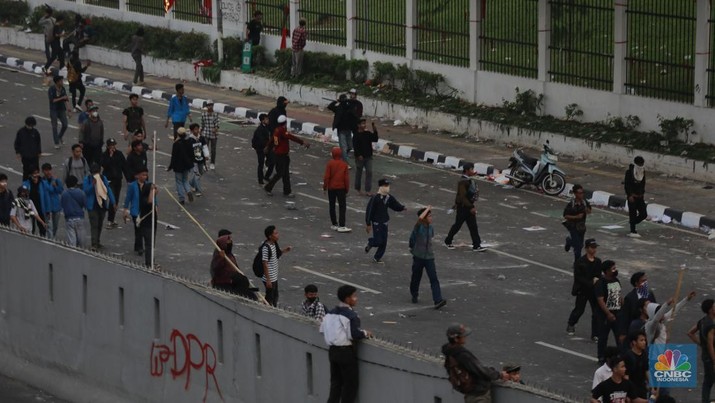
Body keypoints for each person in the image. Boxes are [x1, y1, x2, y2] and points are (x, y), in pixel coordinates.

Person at [320, 285, 373, 403]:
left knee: (336, 384)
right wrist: (365, 333)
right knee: (350, 386)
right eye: (354, 296)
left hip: (332, 351)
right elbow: (354, 334)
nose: (356, 298)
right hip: (346, 353)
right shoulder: (351, 316)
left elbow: (322, 330)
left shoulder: (329, 314)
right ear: (347, 299)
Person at [441, 323, 508, 402]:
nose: (465, 337)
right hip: (478, 395)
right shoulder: (462, 354)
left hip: (469, 394)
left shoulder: (450, 353)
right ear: (456, 339)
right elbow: (480, 370)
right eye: (463, 335)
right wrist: (499, 375)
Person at [409, 206, 447, 309]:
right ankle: (414, 293)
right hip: (418, 256)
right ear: (425, 217)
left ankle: (437, 300)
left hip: (429, 257)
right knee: (416, 277)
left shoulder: (431, 228)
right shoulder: (418, 226)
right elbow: (420, 219)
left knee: (434, 278)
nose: (431, 218)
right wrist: (427, 208)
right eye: (429, 216)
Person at [263, 115, 309, 197]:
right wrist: (302, 142)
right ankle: (268, 187)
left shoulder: (277, 130)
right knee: (280, 173)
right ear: (285, 123)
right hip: (282, 156)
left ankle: (287, 191)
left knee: (285, 173)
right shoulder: (282, 131)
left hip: (279, 154)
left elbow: (274, 140)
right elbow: (291, 137)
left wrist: (269, 146)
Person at [444, 163, 485, 252]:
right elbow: (462, 197)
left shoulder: (469, 180)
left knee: (473, 226)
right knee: (457, 225)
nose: (472, 171)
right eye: (471, 169)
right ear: (466, 170)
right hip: (463, 208)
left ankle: (476, 245)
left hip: (468, 207)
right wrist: (471, 207)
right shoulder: (463, 181)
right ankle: (448, 240)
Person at [566, 238, 602, 339]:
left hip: (594, 291)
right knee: (579, 309)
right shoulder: (580, 262)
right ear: (586, 248)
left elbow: (598, 274)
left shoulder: (598, 261)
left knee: (596, 312)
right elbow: (578, 277)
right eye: (592, 247)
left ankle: (595, 334)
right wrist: (591, 282)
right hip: (583, 290)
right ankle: (571, 323)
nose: (594, 250)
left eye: (595, 248)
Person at [364, 179, 406, 263]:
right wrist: (368, 223)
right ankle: (371, 242)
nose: (387, 188)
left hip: (384, 222)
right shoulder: (375, 198)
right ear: (381, 187)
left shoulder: (388, 197)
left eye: (388, 186)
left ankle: (377, 257)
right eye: (385, 186)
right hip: (377, 222)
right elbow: (370, 211)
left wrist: (402, 208)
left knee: (384, 242)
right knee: (379, 240)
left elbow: (394, 204)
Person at [123, 168, 157, 267]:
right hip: (136, 211)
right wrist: (125, 209)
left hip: (145, 212)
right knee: (138, 230)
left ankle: (140, 246)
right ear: (137, 176)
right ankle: (139, 246)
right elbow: (128, 197)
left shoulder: (148, 185)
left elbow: (153, 197)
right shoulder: (132, 185)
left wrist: (156, 205)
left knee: (143, 231)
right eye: (142, 175)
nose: (144, 177)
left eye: (146, 175)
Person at [210, 233, 257, 300]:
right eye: (228, 242)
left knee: (246, 285)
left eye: (231, 242)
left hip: (233, 281)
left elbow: (236, 268)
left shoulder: (230, 255)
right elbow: (215, 269)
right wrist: (221, 258)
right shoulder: (218, 256)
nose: (230, 244)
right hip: (223, 284)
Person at [595, 260, 623, 364]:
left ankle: (621, 355)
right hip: (604, 316)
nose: (615, 270)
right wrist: (608, 313)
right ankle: (601, 357)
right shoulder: (601, 283)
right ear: (607, 271)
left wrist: (622, 308)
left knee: (619, 336)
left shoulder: (616, 280)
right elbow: (600, 300)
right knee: (603, 337)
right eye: (613, 268)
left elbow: (619, 296)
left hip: (617, 313)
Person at [687, 299, 715, 403]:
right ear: (711, 310)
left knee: (707, 382)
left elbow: (690, 333)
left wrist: (701, 344)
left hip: (705, 356)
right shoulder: (711, 326)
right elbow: (710, 345)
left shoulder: (702, 321)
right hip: (711, 357)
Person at [83, 163, 116, 251]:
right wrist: (92, 185)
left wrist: (113, 202)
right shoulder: (87, 180)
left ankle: (97, 241)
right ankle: (94, 244)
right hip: (92, 206)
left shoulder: (103, 178)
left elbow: (107, 189)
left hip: (102, 206)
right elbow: (85, 191)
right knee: (94, 225)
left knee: (99, 224)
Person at [260, 225, 292, 307]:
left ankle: (270, 307)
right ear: (270, 236)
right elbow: (265, 263)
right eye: (276, 233)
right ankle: (268, 310)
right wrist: (268, 280)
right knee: (270, 298)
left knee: (274, 296)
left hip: (274, 276)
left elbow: (276, 254)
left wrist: (285, 250)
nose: (278, 235)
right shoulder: (266, 247)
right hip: (270, 277)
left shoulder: (274, 244)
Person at [323, 147, 351, 232]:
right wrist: (347, 189)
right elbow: (346, 179)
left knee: (332, 205)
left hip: (331, 188)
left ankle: (334, 223)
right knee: (342, 206)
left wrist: (325, 187)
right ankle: (342, 225)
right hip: (341, 188)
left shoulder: (330, 163)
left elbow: (327, 177)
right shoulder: (344, 164)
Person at [100, 138, 126, 229]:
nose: (112, 147)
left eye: (114, 145)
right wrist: (110, 157)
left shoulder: (119, 154)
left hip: (118, 179)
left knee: (116, 199)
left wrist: (128, 178)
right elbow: (104, 165)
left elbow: (124, 166)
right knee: (112, 199)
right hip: (109, 180)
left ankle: (112, 218)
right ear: (107, 146)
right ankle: (109, 220)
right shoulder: (104, 155)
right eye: (111, 145)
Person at [563, 184, 591, 262]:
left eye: (582, 193)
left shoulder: (585, 202)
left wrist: (586, 209)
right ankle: (577, 263)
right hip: (573, 226)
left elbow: (590, 211)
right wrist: (576, 217)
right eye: (579, 193)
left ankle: (569, 241)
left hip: (581, 227)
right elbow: (565, 215)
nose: (581, 194)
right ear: (575, 194)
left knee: (580, 245)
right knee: (578, 246)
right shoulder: (571, 204)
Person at [167, 127, 195, 205]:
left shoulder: (176, 143)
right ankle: (188, 191)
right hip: (186, 165)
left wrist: (170, 166)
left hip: (178, 166)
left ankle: (181, 198)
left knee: (179, 181)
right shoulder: (189, 142)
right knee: (185, 180)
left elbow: (174, 156)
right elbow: (192, 154)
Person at [352, 119, 378, 196]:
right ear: (358, 125)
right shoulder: (356, 135)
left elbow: (375, 139)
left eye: (365, 124)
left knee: (369, 172)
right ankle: (358, 188)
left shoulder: (367, 133)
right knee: (359, 173)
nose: (364, 125)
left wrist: (374, 129)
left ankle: (368, 190)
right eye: (362, 124)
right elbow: (355, 147)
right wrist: (358, 155)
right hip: (360, 157)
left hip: (368, 156)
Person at [625, 156, 647, 238]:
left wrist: (642, 193)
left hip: (640, 196)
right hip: (632, 196)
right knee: (632, 213)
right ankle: (632, 230)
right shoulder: (629, 172)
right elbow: (627, 185)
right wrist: (629, 195)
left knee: (643, 214)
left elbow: (643, 183)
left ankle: (632, 222)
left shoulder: (643, 172)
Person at [60, 175, 86, 247]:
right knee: (81, 240)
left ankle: (73, 253)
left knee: (72, 240)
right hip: (79, 218)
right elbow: (84, 204)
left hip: (69, 219)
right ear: (75, 183)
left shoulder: (64, 194)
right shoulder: (81, 192)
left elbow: (62, 205)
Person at [40, 163, 64, 239]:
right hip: (47, 206)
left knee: (55, 224)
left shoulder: (56, 180)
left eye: (49, 170)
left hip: (56, 206)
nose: (48, 172)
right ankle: (51, 238)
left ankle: (53, 236)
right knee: (49, 225)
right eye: (46, 170)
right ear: (43, 171)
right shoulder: (42, 181)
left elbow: (60, 190)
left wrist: (55, 186)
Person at [623, 330, 649, 400]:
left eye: (644, 340)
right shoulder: (628, 356)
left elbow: (646, 370)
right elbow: (626, 376)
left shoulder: (644, 354)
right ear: (634, 342)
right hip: (632, 389)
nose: (644, 342)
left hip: (642, 388)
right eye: (641, 340)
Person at [327, 94, 352, 165]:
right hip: (341, 131)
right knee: (343, 147)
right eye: (343, 99)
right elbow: (329, 107)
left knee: (350, 146)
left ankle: (342, 156)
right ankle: (345, 163)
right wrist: (336, 101)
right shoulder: (338, 108)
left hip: (348, 130)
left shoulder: (348, 107)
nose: (345, 101)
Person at [48, 75, 71, 149]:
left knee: (65, 124)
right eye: (61, 81)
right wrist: (62, 98)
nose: (62, 82)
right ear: (57, 82)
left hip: (61, 109)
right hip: (54, 110)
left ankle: (59, 136)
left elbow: (66, 99)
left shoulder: (63, 89)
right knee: (54, 127)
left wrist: (68, 110)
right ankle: (56, 142)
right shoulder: (51, 89)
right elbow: (53, 101)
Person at [22, 168, 46, 236]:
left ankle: (43, 237)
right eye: (34, 174)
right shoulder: (26, 183)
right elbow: (22, 193)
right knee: (31, 225)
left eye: (37, 173)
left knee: (42, 225)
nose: (36, 175)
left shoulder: (42, 182)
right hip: (30, 207)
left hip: (40, 207)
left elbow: (46, 195)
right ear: (31, 175)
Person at [187, 123, 207, 196]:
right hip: (194, 160)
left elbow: (204, 146)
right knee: (197, 175)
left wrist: (206, 155)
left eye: (198, 129)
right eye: (195, 129)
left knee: (201, 172)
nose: (197, 131)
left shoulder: (201, 138)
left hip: (201, 159)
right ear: (192, 131)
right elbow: (188, 150)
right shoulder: (190, 139)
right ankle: (199, 190)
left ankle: (191, 182)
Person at [251, 113, 271, 185]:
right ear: (262, 121)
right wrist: (266, 146)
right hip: (260, 149)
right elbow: (261, 140)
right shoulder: (260, 129)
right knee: (261, 164)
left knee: (271, 160)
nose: (268, 120)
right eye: (266, 119)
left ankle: (266, 176)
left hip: (266, 148)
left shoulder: (266, 127)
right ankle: (260, 180)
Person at [200, 100, 219, 170]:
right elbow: (202, 124)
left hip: (214, 135)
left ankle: (212, 163)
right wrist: (200, 132)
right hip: (206, 134)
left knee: (213, 150)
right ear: (207, 106)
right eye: (209, 105)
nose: (210, 107)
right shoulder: (204, 115)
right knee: (205, 149)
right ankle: (204, 163)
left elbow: (217, 123)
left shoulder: (215, 114)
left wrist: (216, 128)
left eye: (211, 105)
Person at [347, 88, 363, 154]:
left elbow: (359, 114)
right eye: (350, 94)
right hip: (347, 122)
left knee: (356, 136)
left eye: (353, 94)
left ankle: (356, 149)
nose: (351, 95)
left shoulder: (358, 104)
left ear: (355, 95)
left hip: (355, 123)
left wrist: (352, 112)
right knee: (347, 136)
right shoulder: (347, 102)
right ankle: (347, 149)